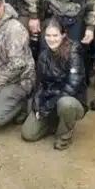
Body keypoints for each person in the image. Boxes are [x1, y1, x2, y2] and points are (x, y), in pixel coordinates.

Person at [21, 19, 86, 150]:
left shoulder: (74, 52)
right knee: (28, 134)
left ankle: (65, 135)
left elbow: (72, 86)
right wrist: (38, 106)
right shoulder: (44, 55)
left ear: (63, 35)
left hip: (70, 99)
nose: (51, 39)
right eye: (48, 35)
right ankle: (53, 122)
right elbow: (39, 84)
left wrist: (49, 106)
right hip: (49, 97)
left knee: (66, 104)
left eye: (55, 35)